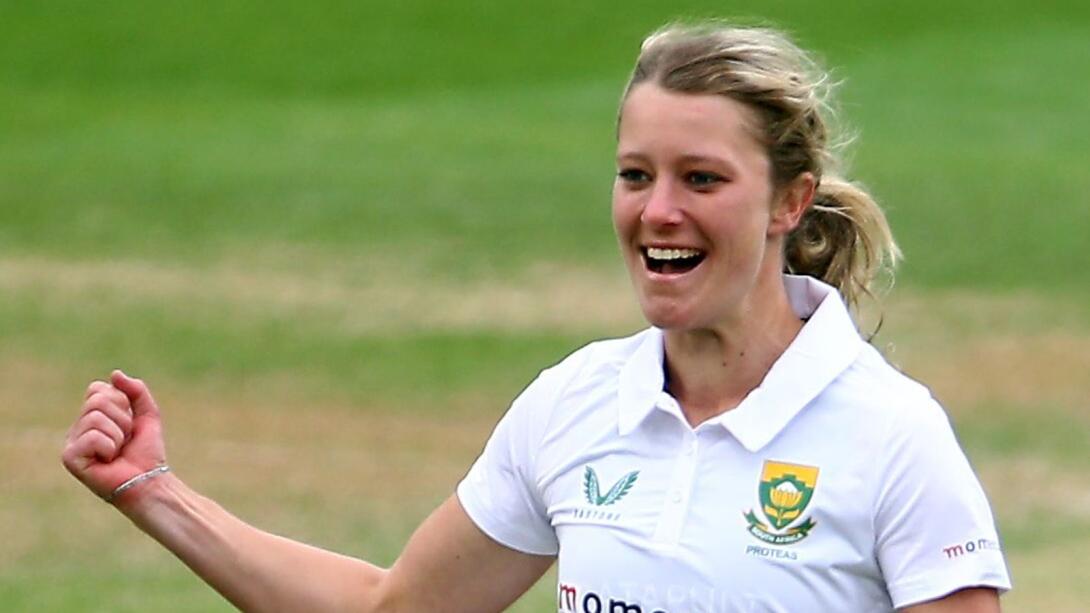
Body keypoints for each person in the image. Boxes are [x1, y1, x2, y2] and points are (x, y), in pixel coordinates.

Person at [62, 22, 1011, 612]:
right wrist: (154, 491)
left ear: (788, 202)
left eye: (703, 179)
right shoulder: (578, 404)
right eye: (636, 175)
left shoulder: (890, 436)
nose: (658, 210)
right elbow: (395, 608)